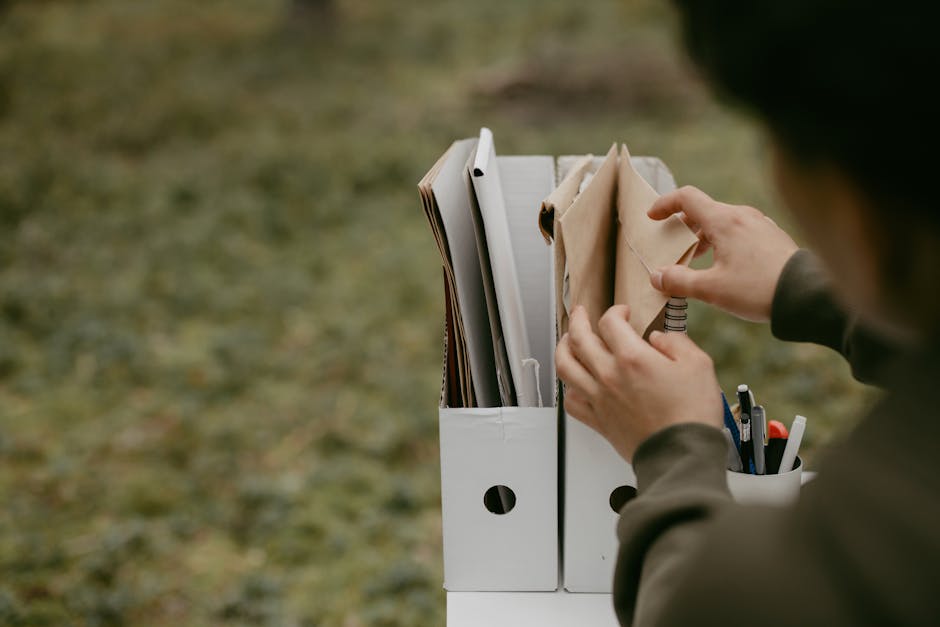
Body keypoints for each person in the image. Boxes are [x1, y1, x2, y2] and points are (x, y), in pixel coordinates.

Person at [555, 1, 940, 624]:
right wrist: (808, 288)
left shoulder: (871, 543)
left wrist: (673, 447)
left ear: (855, 211)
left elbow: (707, 603)